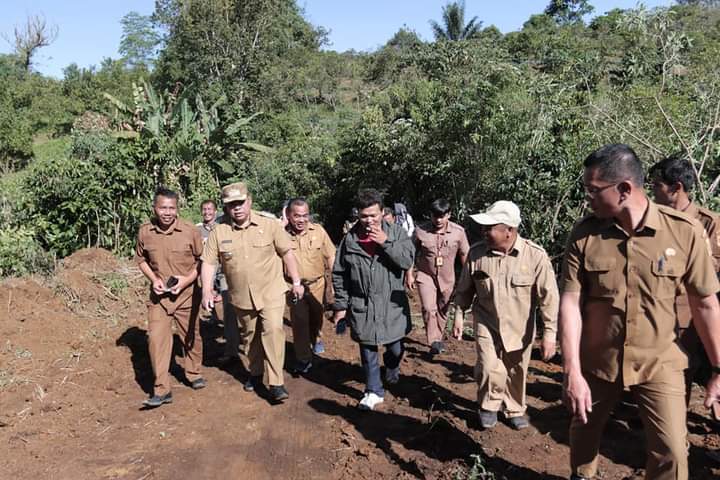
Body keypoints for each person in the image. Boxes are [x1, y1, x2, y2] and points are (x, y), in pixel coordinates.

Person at [560, 144, 720, 480]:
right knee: (583, 434)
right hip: (598, 360)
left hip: (660, 361)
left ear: (624, 190)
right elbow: (571, 304)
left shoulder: (685, 232)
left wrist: (719, 367)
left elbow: (705, 304)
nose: (587, 197)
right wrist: (572, 371)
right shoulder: (585, 234)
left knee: (673, 453)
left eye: (592, 189)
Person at [454, 200, 558, 430]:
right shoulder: (477, 254)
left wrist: (550, 333)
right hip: (486, 321)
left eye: (490, 227)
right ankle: (489, 405)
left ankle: (514, 408)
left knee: (516, 370)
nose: (484, 231)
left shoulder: (535, 256)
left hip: (520, 327)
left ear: (509, 231)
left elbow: (549, 297)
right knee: (489, 365)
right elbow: (464, 289)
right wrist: (459, 315)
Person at [200, 182, 305, 403]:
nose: (236, 208)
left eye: (240, 203)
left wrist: (296, 281)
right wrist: (207, 291)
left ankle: (276, 383)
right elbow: (208, 263)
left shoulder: (269, 225)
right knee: (250, 337)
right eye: (231, 205)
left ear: (249, 201)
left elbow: (287, 253)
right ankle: (256, 373)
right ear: (226, 208)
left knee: (274, 330)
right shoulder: (220, 231)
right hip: (241, 296)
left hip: (272, 292)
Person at [332, 189, 415, 411]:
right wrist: (341, 305)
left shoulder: (396, 233)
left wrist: (385, 242)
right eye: (364, 216)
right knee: (368, 350)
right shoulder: (349, 240)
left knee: (395, 348)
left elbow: (407, 260)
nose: (369, 220)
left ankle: (391, 366)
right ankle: (373, 390)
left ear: (382, 212)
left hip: (391, 305)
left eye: (373, 215)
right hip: (363, 305)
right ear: (357, 215)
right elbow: (340, 274)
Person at [650, 155, 720, 405]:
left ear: (676, 187)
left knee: (682, 372)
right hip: (654, 307)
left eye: (657, 185)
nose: (652, 191)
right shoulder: (651, 217)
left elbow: (710, 272)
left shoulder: (707, 222)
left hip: (688, 315)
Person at [135, 187, 205, 408]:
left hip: (187, 296)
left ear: (177, 209)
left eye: (171, 208)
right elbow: (141, 260)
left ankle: (193, 373)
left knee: (190, 337)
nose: (167, 212)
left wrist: (185, 281)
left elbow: (202, 262)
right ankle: (162, 389)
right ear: (154, 208)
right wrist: (153, 279)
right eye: (162, 207)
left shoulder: (189, 230)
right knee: (156, 340)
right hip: (159, 299)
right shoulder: (145, 232)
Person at [406, 198, 469, 355]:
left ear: (449, 214)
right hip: (425, 275)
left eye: (442, 216)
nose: (438, 220)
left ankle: (438, 338)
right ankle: (433, 340)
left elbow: (465, 255)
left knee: (443, 309)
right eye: (435, 216)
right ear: (431, 215)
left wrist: (468, 278)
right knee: (429, 308)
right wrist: (409, 274)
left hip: (448, 278)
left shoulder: (458, 232)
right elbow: (410, 253)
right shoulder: (421, 231)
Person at [284, 198, 336, 373]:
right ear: (288, 216)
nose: (301, 220)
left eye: (305, 215)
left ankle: (317, 337)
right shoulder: (281, 235)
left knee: (317, 317)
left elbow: (331, 255)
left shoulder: (318, 231)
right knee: (299, 322)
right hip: (293, 287)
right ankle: (303, 358)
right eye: (297, 216)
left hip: (318, 285)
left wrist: (336, 280)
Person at [195, 200, 239, 363]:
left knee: (231, 309)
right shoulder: (197, 230)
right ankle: (231, 350)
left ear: (215, 211)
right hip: (207, 271)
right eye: (204, 209)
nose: (207, 212)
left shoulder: (223, 225)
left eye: (210, 209)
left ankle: (238, 346)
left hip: (226, 272)